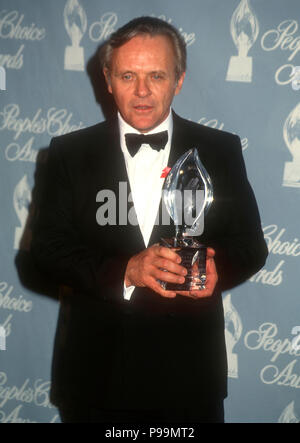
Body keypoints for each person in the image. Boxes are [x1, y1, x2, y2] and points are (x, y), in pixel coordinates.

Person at [31, 16, 268, 423]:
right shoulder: (69, 154)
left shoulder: (220, 150)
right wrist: (125, 270)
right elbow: (45, 253)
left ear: (178, 79)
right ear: (107, 79)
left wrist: (217, 268)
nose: (141, 92)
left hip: (190, 380)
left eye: (156, 76)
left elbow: (251, 246)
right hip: (96, 380)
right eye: (128, 75)